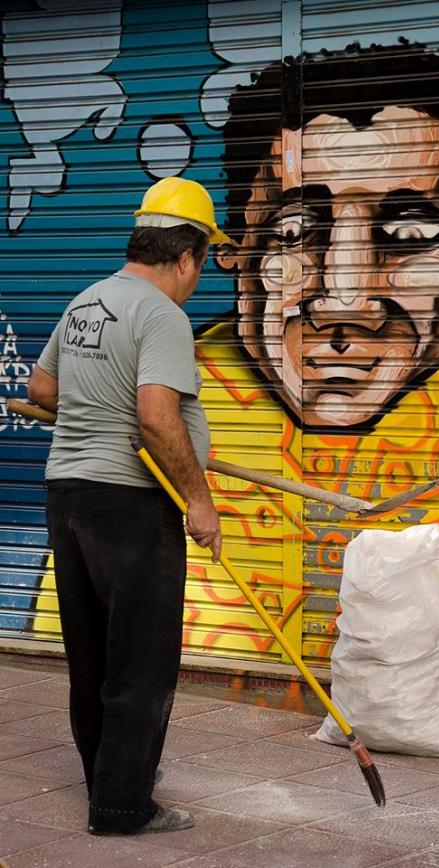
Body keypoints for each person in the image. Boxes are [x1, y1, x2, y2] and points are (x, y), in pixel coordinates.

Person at [27, 176, 229, 835]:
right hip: (133, 504)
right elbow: (155, 417)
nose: (199, 277)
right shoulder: (161, 314)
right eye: (203, 262)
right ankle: (121, 806)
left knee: (93, 657)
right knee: (141, 661)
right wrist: (198, 503)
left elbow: (43, 388)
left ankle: (111, 782)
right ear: (187, 254)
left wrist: (97, 406)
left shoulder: (87, 302)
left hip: (70, 496)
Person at [217, 42, 439, 429]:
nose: (344, 298)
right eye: (294, 233)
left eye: (410, 236)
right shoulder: (176, 398)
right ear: (235, 256)